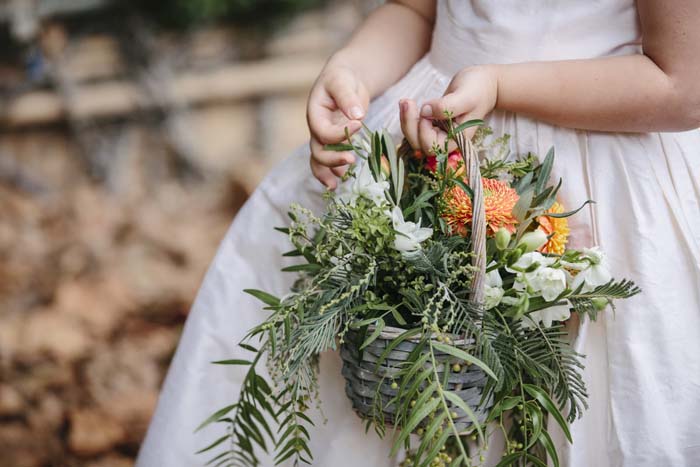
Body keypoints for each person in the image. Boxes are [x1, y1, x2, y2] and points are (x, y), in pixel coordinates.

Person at [137, 1, 700, 466]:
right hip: (422, 133)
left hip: (591, 168)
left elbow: (683, 84)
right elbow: (415, 9)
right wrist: (353, 71)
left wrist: (499, 84)